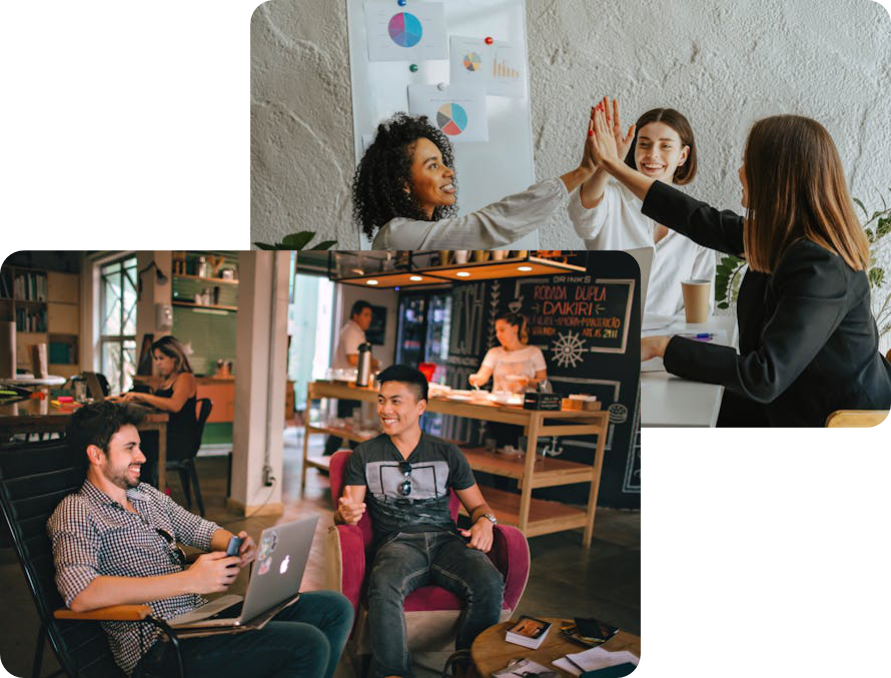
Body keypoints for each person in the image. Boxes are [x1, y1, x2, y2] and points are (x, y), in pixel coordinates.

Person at [587, 104, 891, 427]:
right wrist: (612, 166)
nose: (740, 171)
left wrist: (663, 347)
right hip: (789, 397)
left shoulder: (821, 265)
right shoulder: (782, 237)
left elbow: (763, 376)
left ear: (776, 177)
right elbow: (696, 219)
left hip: (830, 416)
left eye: (749, 162)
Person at [47, 401, 353, 677]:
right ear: (96, 454)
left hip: (199, 621)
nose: (141, 456)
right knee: (307, 645)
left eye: (139, 446)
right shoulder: (77, 510)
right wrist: (189, 581)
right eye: (129, 448)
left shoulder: (145, 496)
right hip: (158, 646)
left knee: (334, 608)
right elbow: (81, 594)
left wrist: (234, 544)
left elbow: (199, 529)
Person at [335, 365, 504, 678]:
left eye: (396, 401)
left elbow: (479, 505)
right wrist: (345, 515)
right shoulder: (365, 454)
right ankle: (392, 673)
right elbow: (349, 507)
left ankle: (468, 669)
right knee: (384, 583)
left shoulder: (447, 453)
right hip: (397, 543)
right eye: (381, 400)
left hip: (447, 541)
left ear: (421, 406)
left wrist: (486, 522)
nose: (385, 410)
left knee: (489, 581)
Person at [353, 112, 598, 249]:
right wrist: (582, 171)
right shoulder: (397, 235)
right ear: (404, 183)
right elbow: (488, 226)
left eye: (443, 162)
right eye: (433, 166)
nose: (449, 172)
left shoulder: (421, 235)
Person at [568, 98, 715, 316]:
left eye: (665, 146)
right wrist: (609, 164)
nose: (652, 154)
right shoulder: (611, 198)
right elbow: (583, 218)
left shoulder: (697, 219)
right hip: (608, 338)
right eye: (644, 144)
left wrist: (665, 345)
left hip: (668, 345)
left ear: (682, 155)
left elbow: (701, 309)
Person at [109, 336, 199, 483]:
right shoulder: (168, 379)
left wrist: (141, 396)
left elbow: (174, 405)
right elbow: (159, 404)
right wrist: (130, 399)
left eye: (161, 358)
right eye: (156, 359)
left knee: (136, 445)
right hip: (167, 433)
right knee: (132, 441)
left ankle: (142, 491)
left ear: (174, 358)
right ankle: (134, 488)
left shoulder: (185, 378)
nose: (157, 363)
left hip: (179, 440)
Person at [324, 300, 381, 456]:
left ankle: (333, 457)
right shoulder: (351, 332)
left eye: (370, 315)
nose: (369, 319)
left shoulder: (356, 331)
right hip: (347, 385)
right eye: (366, 314)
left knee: (348, 423)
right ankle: (332, 457)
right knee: (348, 424)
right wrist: (373, 361)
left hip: (352, 385)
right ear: (355, 315)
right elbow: (352, 359)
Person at [468, 312, 547, 394]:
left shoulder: (534, 352)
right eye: (497, 331)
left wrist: (528, 381)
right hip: (498, 402)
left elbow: (544, 385)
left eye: (502, 330)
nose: (498, 335)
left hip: (525, 403)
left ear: (515, 329)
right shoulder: (494, 353)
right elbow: (482, 377)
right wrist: (475, 379)